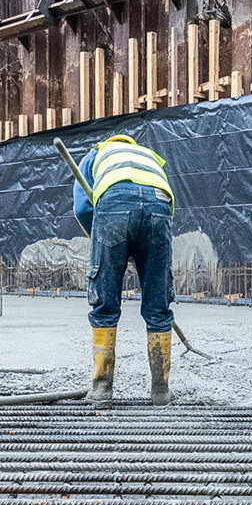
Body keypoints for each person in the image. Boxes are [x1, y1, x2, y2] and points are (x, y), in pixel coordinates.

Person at [72, 134, 176, 407]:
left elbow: (83, 207)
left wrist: (104, 242)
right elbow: (165, 203)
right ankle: (161, 391)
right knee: (158, 302)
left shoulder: (98, 154)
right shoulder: (149, 156)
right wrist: (142, 246)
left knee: (105, 298)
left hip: (114, 203)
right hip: (159, 207)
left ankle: (102, 389)